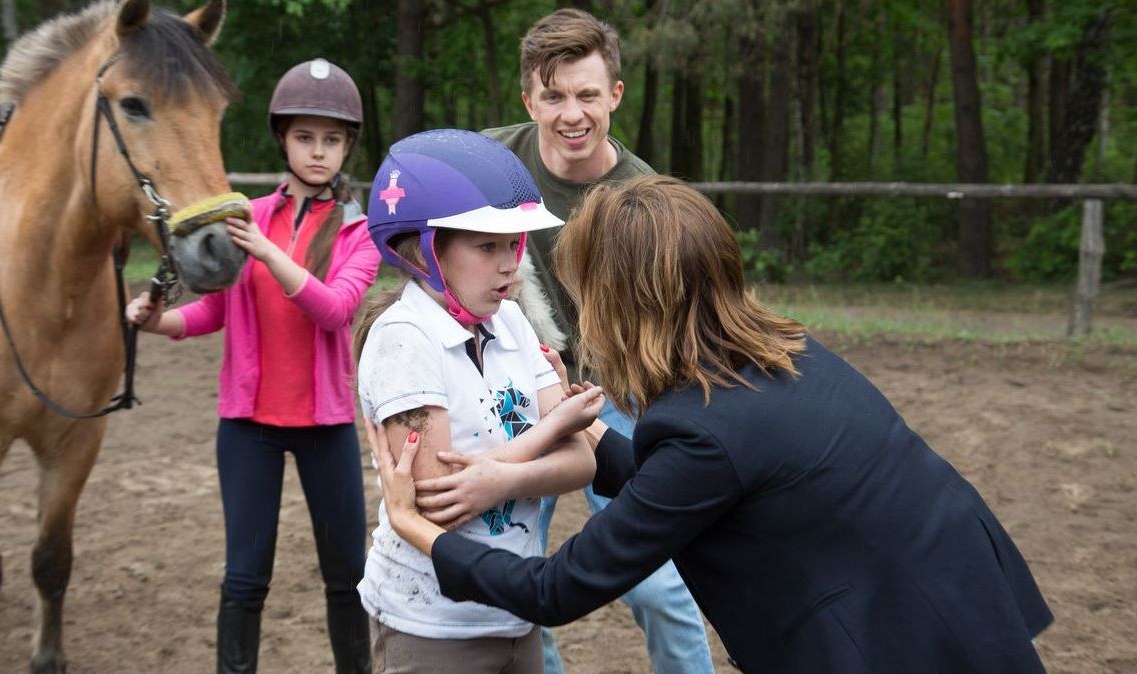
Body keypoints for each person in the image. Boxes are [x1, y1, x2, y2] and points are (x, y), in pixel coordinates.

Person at [369, 175, 1055, 674]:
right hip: (962, 600)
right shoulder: (785, 355)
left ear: (623, 302)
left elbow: (557, 589)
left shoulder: (703, 431)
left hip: (889, 644)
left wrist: (418, 528)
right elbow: (701, 485)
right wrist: (587, 431)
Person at [126, 58, 379, 674]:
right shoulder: (246, 216)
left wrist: (267, 253)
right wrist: (159, 320)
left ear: (347, 146)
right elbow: (217, 310)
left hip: (324, 427)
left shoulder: (359, 230)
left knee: (347, 577)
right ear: (284, 140)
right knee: (245, 579)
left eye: (332, 139)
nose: (318, 152)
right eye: (305, 137)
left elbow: (335, 310)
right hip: (248, 428)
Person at [484, 9, 715, 674]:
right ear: (529, 99)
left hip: (612, 394)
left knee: (657, 582)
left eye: (587, 93)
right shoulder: (488, 163)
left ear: (615, 94)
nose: (571, 113)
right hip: (514, 396)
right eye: (553, 95)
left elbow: (675, 323)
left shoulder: (645, 198)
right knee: (513, 572)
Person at [354, 129, 604, 674]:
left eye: (514, 245)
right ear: (426, 247)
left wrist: (501, 479)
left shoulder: (511, 319)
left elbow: (584, 460)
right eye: (487, 246)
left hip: (516, 613)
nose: (510, 264)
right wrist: (551, 428)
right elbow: (436, 499)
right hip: (433, 625)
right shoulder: (404, 339)